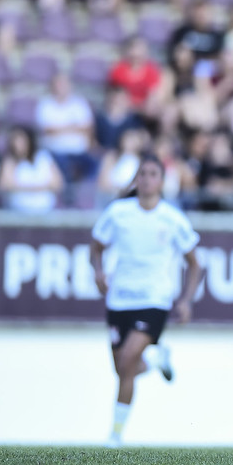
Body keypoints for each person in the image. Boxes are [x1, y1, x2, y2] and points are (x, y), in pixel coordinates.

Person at [90, 153, 203, 448]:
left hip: (155, 298)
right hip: (119, 299)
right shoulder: (118, 213)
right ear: (135, 179)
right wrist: (98, 272)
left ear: (162, 181)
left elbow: (195, 263)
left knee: (127, 362)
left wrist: (186, 299)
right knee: (123, 369)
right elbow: (96, 246)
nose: (147, 179)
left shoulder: (172, 218)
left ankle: (115, 436)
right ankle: (155, 358)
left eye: (153, 174)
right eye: (142, 174)